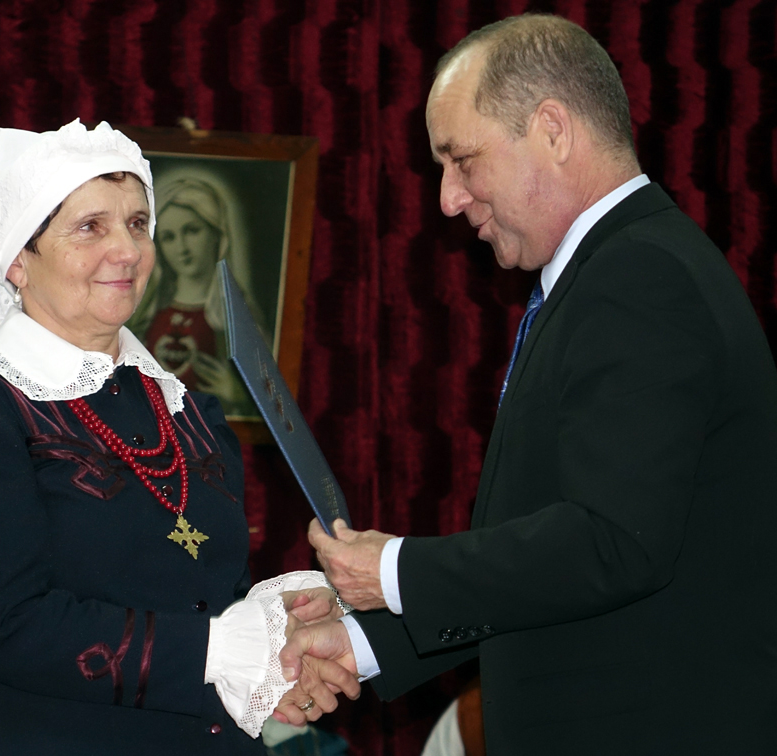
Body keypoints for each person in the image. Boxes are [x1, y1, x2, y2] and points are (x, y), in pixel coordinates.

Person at [281, 13, 777, 754]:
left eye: (462, 160)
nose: (448, 198)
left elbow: (613, 544)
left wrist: (395, 570)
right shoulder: (612, 271)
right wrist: (366, 645)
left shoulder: (639, 278)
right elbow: (551, 561)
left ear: (552, 129)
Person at [0, 120, 358, 756]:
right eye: (90, 226)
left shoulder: (190, 408)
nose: (127, 250)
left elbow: (201, 596)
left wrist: (273, 649)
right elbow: (7, 624)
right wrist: (221, 647)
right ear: (17, 260)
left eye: (138, 223)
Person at [127, 174, 260, 416]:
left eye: (192, 231)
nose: (182, 248)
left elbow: (265, 398)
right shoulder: (144, 311)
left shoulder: (236, 315)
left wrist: (238, 394)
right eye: (169, 237)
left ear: (217, 234)